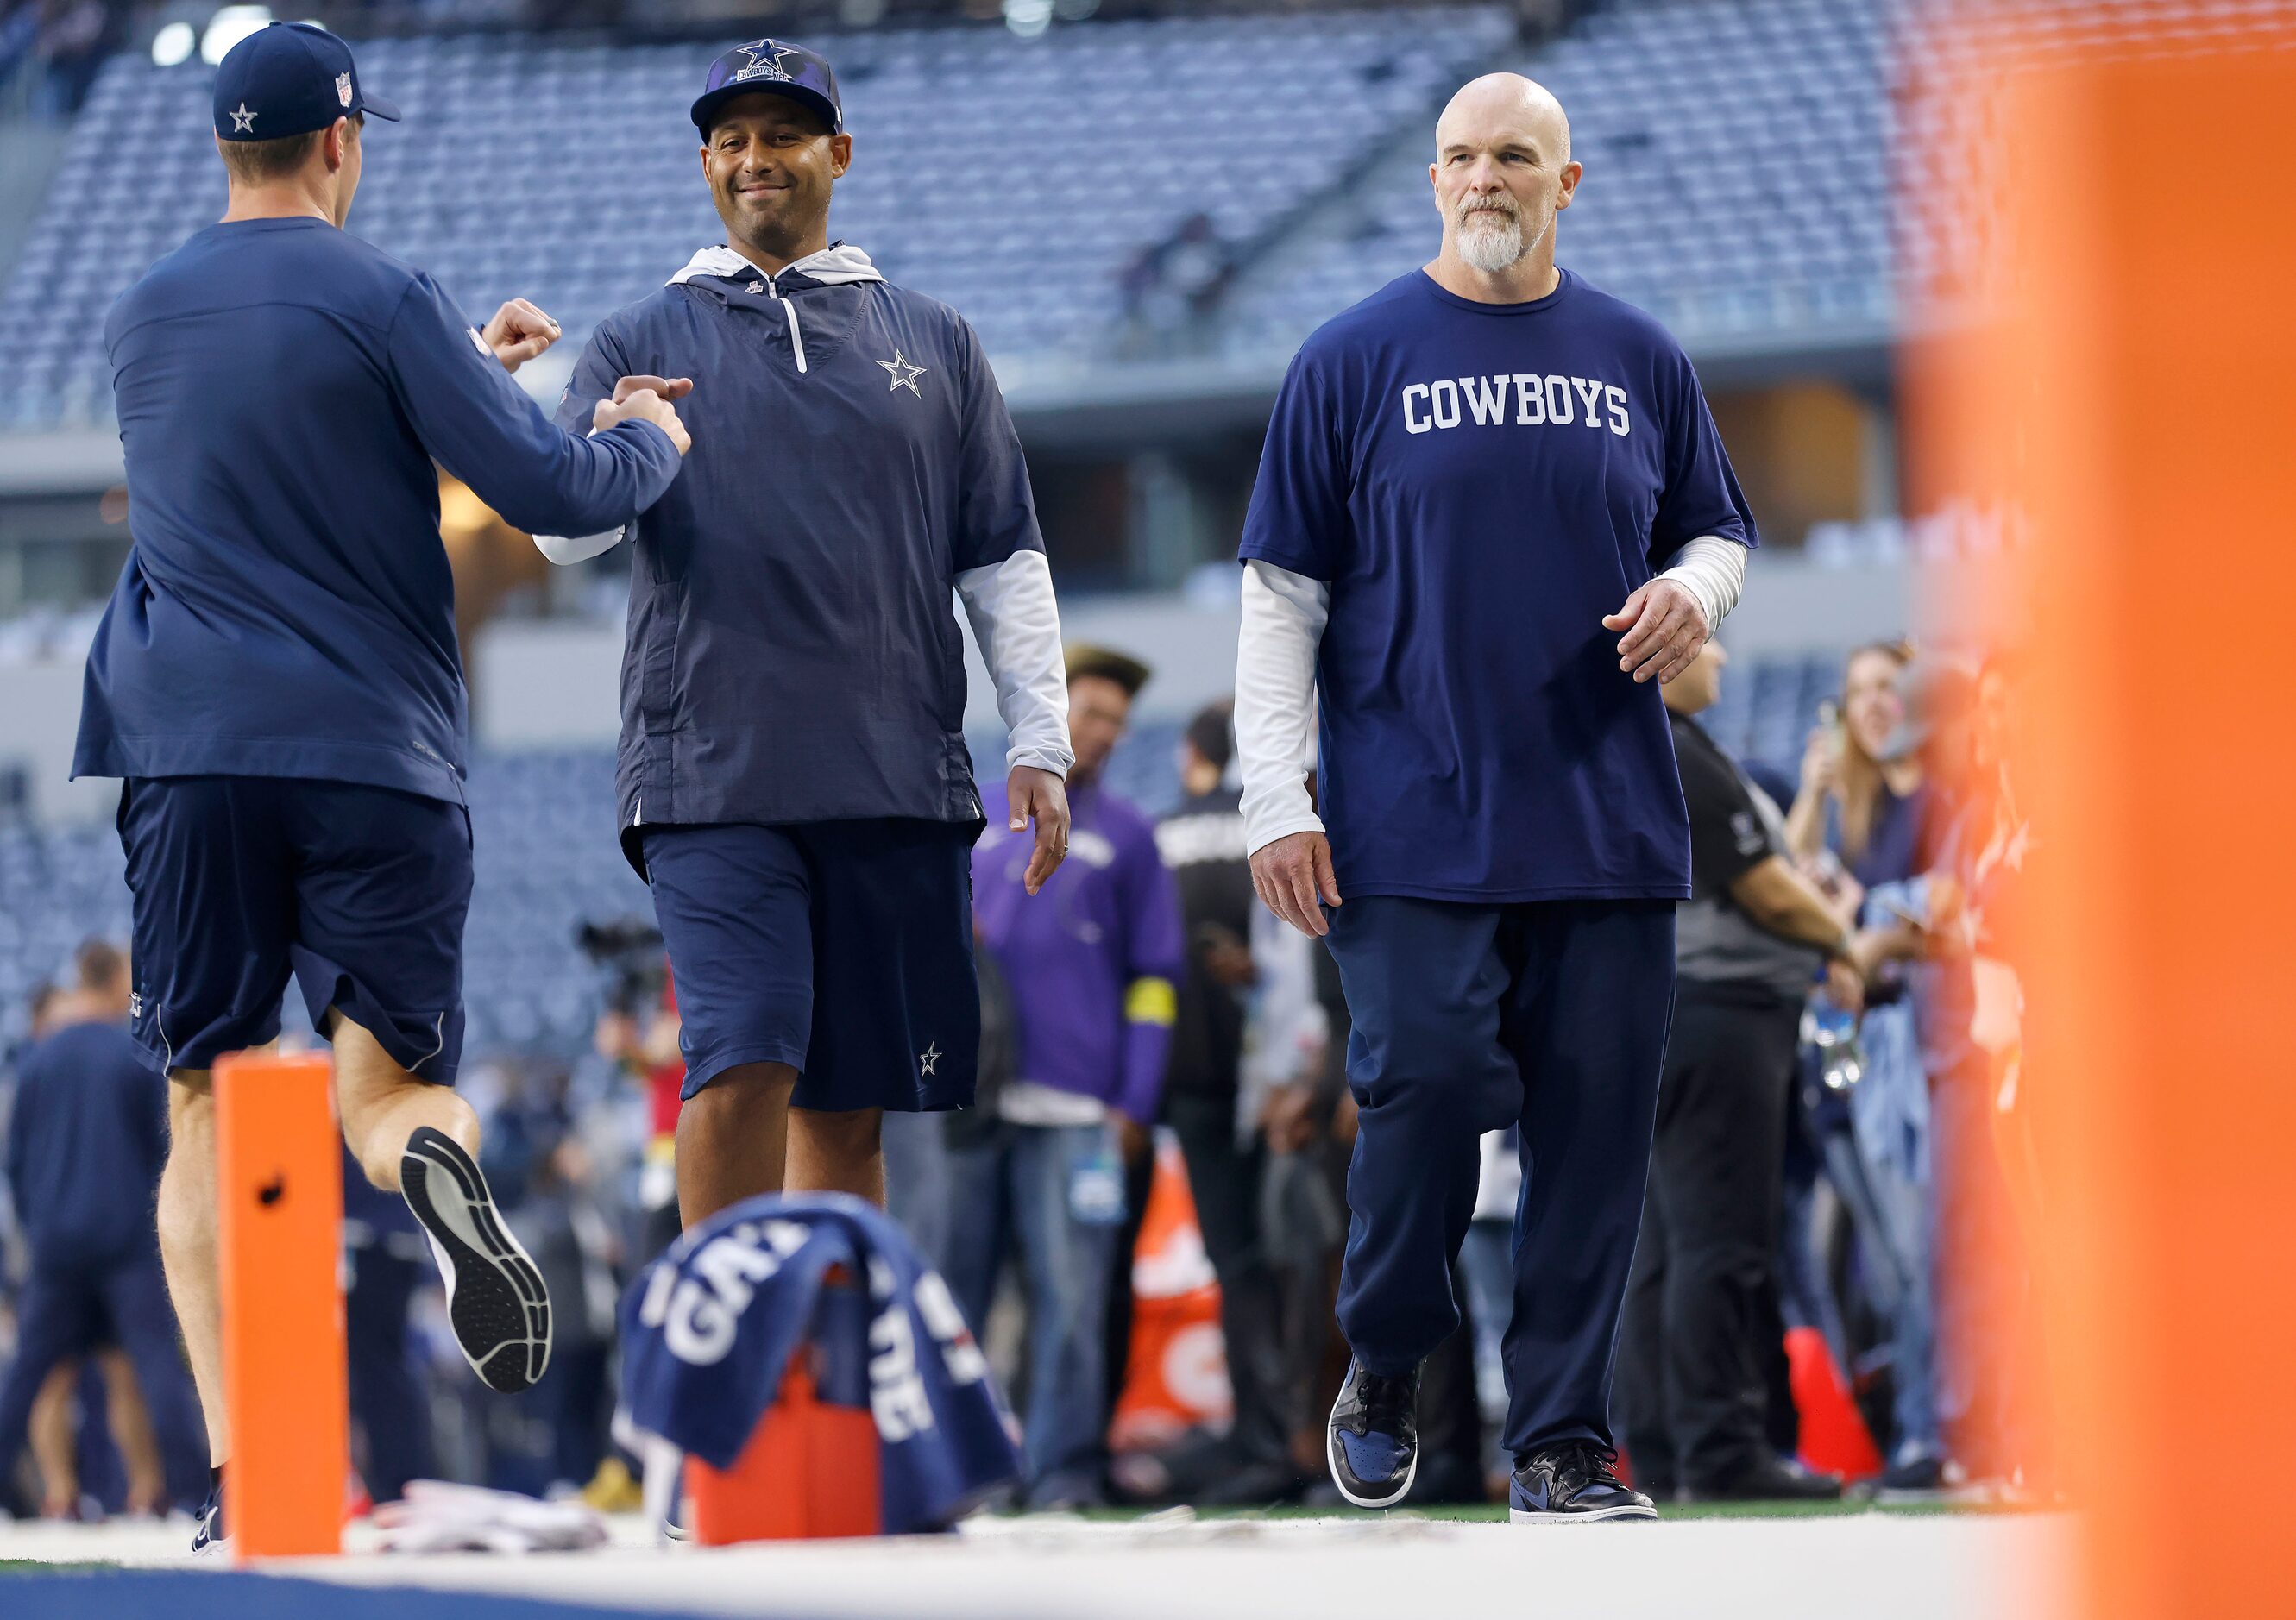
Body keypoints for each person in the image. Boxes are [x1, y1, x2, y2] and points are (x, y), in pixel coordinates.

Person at [67, 22, 689, 1551]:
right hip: (372, 751)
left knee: (209, 1091)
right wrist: (644, 438)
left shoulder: (141, 318)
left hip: (191, 744)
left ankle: (240, 1485)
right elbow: (550, 496)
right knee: (386, 1082)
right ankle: (425, 1160)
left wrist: (452, 371)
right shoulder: (381, 291)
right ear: (342, 142)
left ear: (228, 146)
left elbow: (274, 437)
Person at [1234, 74, 1757, 1521]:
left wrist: (1687, 588)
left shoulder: (1638, 352)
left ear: (1565, 184)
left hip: (1604, 817)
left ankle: (1561, 1444)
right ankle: (1389, 1351)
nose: (1486, 177)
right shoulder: (1348, 358)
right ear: (1433, 178)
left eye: (1515, 156)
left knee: (1592, 1135)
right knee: (1430, 1078)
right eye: (1461, 155)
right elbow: (1281, 591)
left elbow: (1717, 524)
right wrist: (1278, 795)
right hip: (1407, 814)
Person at [538, 38, 1073, 1230]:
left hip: (893, 771)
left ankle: (830, 1378)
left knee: (846, 1108)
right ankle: (713, 1370)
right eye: (730, 139)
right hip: (709, 778)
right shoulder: (636, 341)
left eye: (781, 134)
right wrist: (617, 442)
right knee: (739, 1061)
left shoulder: (936, 339)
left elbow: (1005, 558)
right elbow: (559, 540)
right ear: (705, 164)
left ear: (838, 151)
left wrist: (1040, 738)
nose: (755, 159)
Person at [1617, 640, 1868, 1502]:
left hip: (1680, 1016)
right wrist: (1844, 942)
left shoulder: (1667, 747)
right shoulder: (1676, 747)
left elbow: (1767, 870)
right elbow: (1766, 891)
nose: (1719, 654)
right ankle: (1722, 1452)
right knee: (1719, 1245)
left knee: (1667, 1250)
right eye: (1702, 640)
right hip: (1719, 1017)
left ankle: (1668, 1450)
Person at [953, 646, 1184, 1508]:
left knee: (1075, 1298)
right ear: (1047, 717)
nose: (1104, 733)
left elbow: (1157, 984)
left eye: (1117, 723)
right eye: (1090, 713)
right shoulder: (972, 816)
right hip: (968, 1108)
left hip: (1083, 1110)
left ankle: (1060, 1475)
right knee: (956, 1294)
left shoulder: (1130, 836)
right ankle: (965, 1473)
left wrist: (1134, 1099)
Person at [0, 943, 205, 1519]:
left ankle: (37, 1493)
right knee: (153, 1368)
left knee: (29, 1376)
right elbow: (162, 1151)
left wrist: (40, 1227)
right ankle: (191, 1491)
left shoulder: (37, 1059)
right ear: (114, 980)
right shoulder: (130, 1054)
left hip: (57, 1246)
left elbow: (15, 1162)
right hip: (125, 1242)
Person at [1151, 700, 1298, 1499]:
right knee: (1301, 1264)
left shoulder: (1156, 836)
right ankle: (1306, 1438)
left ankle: (1262, 1440)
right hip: (1289, 1086)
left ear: (1188, 755)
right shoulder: (1274, 831)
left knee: (1237, 1265)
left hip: (1192, 1086)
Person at [1784, 641, 1927, 884]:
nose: (1871, 704)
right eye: (1857, 693)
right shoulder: (1865, 807)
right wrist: (1814, 793)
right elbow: (1788, 874)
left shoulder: (1943, 795)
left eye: (1886, 686)